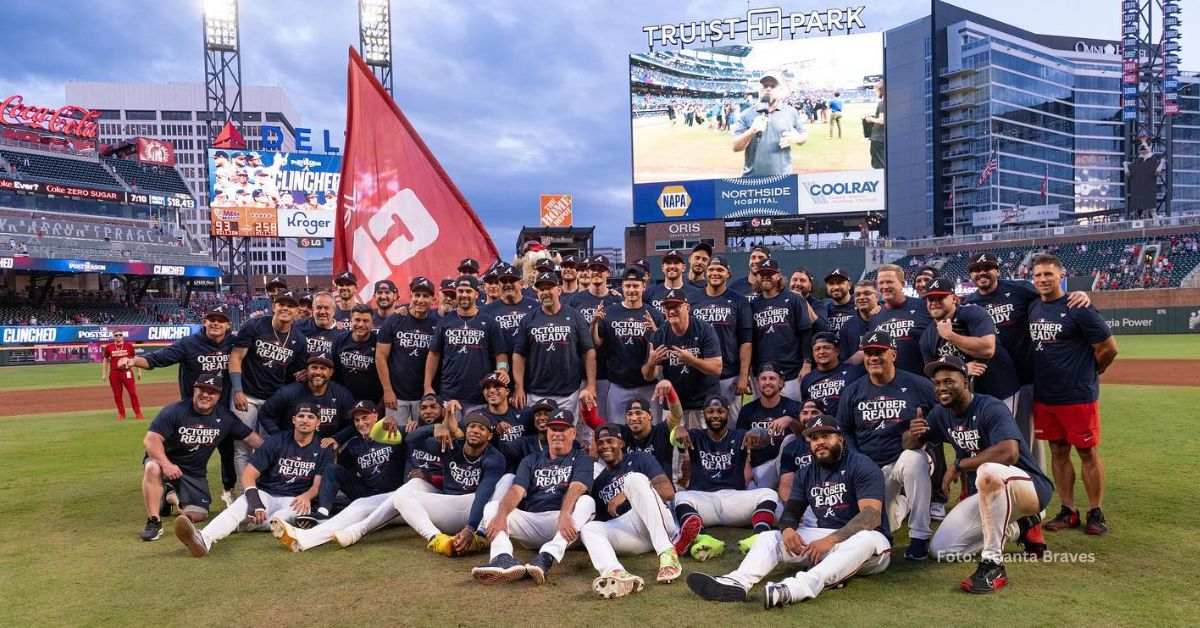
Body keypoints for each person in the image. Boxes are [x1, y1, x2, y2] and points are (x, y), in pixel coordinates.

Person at [685, 415, 891, 607]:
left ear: (841, 439)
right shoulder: (806, 473)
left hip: (869, 547)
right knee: (769, 537)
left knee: (866, 538)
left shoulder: (861, 465)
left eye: (826, 436)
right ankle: (737, 581)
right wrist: (788, 531)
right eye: (814, 438)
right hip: (824, 539)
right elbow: (791, 512)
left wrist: (830, 541)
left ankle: (795, 588)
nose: (819, 442)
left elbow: (871, 516)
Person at [915, 356, 1054, 593]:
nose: (942, 388)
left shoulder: (990, 407)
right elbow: (915, 441)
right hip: (989, 493)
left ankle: (993, 564)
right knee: (942, 550)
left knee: (987, 470)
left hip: (1029, 487)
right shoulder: (941, 414)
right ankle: (1020, 525)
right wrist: (913, 433)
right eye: (937, 383)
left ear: (966, 381)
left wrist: (959, 465)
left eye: (949, 381)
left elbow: (1009, 452)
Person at [963, 252, 1092, 469]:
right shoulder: (969, 303)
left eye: (987, 267)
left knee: (1025, 438)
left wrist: (1077, 294)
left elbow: (1052, 297)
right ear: (970, 275)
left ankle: (1035, 487)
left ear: (997, 270)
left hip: (1025, 379)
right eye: (976, 269)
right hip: (992, 381)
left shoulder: (1019, 290)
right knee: (996, 437)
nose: (982, 272)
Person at [1028, 254, 1117, 536]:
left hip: (1077, 395)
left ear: (1060, 276)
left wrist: (1092, 372)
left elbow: (1109, 347)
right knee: (1058, 451)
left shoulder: (1079, 307)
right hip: (1045, 394)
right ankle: (1068, 510)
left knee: (1087, 452)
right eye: (1038, 275)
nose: (1043, 279)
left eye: (1048, 274)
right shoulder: (1033, 307)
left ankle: (1096, 511)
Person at [174, 402, 332, 557]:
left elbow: (317, 485)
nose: (305, 420)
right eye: (301, 416)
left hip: (295, 499)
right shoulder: (276, 441)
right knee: (241, 506)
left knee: (286, 518)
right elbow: (249, 475)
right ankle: (202, 538)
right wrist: (255, 502)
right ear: (293, 420)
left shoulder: (323, 448)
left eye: (310, 417)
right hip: (267, 494)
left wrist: (307, 496)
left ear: (318, 422)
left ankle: (245, 524)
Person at [122, 304, 238, 505]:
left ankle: (228, 491)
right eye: (212, 319)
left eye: (220, 320)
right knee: (182, 450)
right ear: (205, 322)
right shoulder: (189, 344)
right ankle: (169, 485)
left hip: (224, 411)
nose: (215, 323)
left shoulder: (235, 344)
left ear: (228, 324)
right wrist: (133, 361)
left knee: (229, 453)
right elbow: (159, 358)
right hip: (191, 411)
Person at [836, 331, 935, 560]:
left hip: (902, 459)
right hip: (869, 468)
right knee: (876, 529)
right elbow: (844, 432)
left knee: (914, 459)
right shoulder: (853, 391)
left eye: (879, 353)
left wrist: (927, 431)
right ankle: (899, 506)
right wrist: (859, 462)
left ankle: (920, 536)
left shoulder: (917, 385)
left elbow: (943, 415)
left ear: (893, 354)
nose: (873, 358)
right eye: (868, 353)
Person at [471, 409, 596, 585]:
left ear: (573, 433)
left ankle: (547, 557)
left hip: (564, 526)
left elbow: (578, 486)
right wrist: (501, 516)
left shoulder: (581, 458)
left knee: (587, 502)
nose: (557, 434)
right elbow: (517, 490)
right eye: (554, 429)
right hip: (533, 522)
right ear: (548, 431)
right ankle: (503, 558)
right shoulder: (531, 459)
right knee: (492, 507)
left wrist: (565, 514)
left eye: (563, 430)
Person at [139, 374, 263, 541]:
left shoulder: (225, 417)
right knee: (152, 468)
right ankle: (154, 521)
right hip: (165, 464)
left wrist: (279, 452)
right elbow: (151, 440)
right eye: (202, 390)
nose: (206, 395)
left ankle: (170, 495)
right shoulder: (175, 411)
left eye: (212, 392)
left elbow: (251, 438)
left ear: (219, 396)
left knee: (198, 515)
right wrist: (166, 465)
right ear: (194, 390)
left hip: (194, 473)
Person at [270, 401, 406, 548]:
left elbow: (416, 437)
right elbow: (336, 472)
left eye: (365, 418)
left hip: (392, 497)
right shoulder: (354, 444)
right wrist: (331, 451)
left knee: (352, 508)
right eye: (357, 420)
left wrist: (396, 424)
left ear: (376, 416)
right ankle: (322, 512)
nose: (361, 423)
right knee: (332, 470)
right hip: (367, 494)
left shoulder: (393, 433)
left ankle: (310, 529)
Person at [580, 423, 682, 598]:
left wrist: (625, 493)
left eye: (609, 441)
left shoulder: (640, 458)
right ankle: (616, 573)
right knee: (589, 528)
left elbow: (668, 493)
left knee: (634, 479)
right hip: (633, 535)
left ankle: (667, 554)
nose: (605, 446)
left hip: (660, 524)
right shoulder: (599, 481)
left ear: (621, 442)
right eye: (600, 442)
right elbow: (604, 522)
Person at [671, 397, 777, 561]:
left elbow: (763, 437)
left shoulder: (740, 434)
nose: (715, 415)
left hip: (734, 500)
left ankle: (759, 537)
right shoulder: (694, 435)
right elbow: (674, 437)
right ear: (704, 414)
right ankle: (703, 539)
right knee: (680, 497)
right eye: (710, 411)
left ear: (727, 413)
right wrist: (678, 429)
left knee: (769, 493)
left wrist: (757, 432)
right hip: (704, 501)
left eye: (720, 411)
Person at [228, 289, 309, 480]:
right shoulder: (255, 326)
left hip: (273, 400)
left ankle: (264, 488)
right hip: (246, 394)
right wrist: (237, 390)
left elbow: (295, 374)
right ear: (274, 306)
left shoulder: (299, 340)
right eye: (281, 304)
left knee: (269, 446)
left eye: (290, 306)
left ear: (297, 311)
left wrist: (305, 373)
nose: (285, 309)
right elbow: (236, 357)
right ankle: (244, 494)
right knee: (242, 446)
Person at [512, 271, 597, 428]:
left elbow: (588, 351)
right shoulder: (529, 319)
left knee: (564, 434)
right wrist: (519, 387)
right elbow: (519, 355)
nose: (545, 292)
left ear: (558, 290)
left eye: (549, 288)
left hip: (568, 392)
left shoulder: (574, 316)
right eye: (541, 289)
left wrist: (591, 385)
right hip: (535, 392)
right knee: (537, 434)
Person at [920, 277, 1020, 406]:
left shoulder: (973, 313)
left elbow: (987, 349)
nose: (934, 302)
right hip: (965, 401)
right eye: (931, 299)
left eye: (940, 298)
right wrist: (963, 369)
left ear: (954, 299)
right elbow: (933, 375)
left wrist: (950, 335)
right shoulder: (927, 336)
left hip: (1000, 392)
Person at [425, 275, 506, 418]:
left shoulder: (489, 322)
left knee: (476, 437)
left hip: (480, 395)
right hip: (450, 395)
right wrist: (427, 385)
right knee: (451, 437)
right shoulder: (445, 322)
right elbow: (434, 354)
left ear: (476, 294)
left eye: (468, 291)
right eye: (460, 291)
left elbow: (500, 353)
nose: (464, 295)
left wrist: (503, 369)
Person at [644, 289, 722, 429]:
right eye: (668, 307)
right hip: (675, 406)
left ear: (687, 307)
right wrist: (651, 363)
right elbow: (648, 376)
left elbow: (717, 367)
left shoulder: (704, 330)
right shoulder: (659, 335)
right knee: (675, 449)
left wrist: (692, 360)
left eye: (676, 306)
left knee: (700, 447)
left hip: (703, 404)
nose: (671, 311)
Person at [594, 266, 663, 422]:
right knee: (617, 430)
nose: (632, 290)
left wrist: (654, 331)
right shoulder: (610, 312)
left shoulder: (654, 314)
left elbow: (662, 347)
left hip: (648, 385)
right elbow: (598, 343)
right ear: (622, 287)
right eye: (628, 286)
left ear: (643, 287)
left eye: (636, 286)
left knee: (650, 429)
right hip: (619, 385)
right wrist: (594, 324)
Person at [690, 255, 753, 418]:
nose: (715, 273)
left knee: (731, 424)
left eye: (720, 269)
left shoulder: (739, 301)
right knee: (701, 427)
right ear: (705, 272)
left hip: (729, 375)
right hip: (699, 375)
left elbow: (746, 342)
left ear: (728, 274)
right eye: (711, 269)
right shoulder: (692, 300)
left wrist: (743, 376)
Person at [750, 259, 815, 399]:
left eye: (770, 273)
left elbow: (805, 332)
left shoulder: (794, 299)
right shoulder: (753, 304)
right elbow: (751, 340)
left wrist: (807, 363)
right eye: (762, 273)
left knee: (793, 416)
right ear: (757, 277)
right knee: (765, 416)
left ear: (779, 276)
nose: (766, 276)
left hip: (791, 371)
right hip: (762, 372)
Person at [377, 277, 439, 424]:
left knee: (421, 438)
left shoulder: (437, 323)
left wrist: (429, 389)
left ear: (433, 299)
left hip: (424, 397)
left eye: (425, 296)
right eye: (417, 295)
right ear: (411, 296)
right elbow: (380, 356)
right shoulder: (394, 319)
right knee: (395, 439)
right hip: (396, 395)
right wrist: (387, 390)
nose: (420, 300)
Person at [257, 352, 355, 441]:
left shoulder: (342, 394)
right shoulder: (289, 392)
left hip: (326, 449)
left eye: (323, 368)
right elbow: (265, 414)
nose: (318, 372)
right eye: (314, 367)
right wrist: (281, 438)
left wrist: (336, 439)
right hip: (292, 448)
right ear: (307, 370)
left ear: (331, 373)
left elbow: (352, 423)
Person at [737, 363, 802, 490]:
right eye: (763, 378)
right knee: (751, 488)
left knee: (789, 440)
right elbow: (739, 444)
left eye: (772, 378)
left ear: (781, 383)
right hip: (760, 466)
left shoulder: (794, 407)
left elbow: (805, 436)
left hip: (789, 467)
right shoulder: (747, 410)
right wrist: (746, 467)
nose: (767, 382)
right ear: (757, 383)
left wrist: (790, 421)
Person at [732, 72, 808, 177]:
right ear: (760, 90)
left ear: (780, 90)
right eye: (765, 86)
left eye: (773, 86)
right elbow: (736, 147)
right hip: (752, 178)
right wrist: (752, 131)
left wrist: (797, 138)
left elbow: (803, 135)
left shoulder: (791, 112)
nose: (768, 89)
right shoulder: (747, 114)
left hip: (783, 178)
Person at [865, 264, 931, 375]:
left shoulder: (923, 306)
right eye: (881, 283)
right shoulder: (875, 315)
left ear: (902, 284)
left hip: (921, 378)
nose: (885, 286)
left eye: (889, 282)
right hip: (889, 381)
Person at [800, 332, 865, 413]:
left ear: (837, 351)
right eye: (817, 349)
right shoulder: (807, 379)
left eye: (826, 347)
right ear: (813, 354)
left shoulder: (854, 372)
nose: (821, 352)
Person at [333, 305, 382, 404]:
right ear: (351, 321)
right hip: (344, 397)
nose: (360, 324)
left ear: (372, 323)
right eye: (357, 320)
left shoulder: (379, 342)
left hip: (372, 400)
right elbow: (334, 370)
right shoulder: (340, 340)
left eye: (365, 321)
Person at [101, 330, 143, 421]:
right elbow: (105, 360)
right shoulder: (109, 347)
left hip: (127, 372)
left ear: (122, 336)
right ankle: (121, 414)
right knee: (117, 395)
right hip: (114, 373)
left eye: (120, 335)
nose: (118, 336)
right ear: (113, 336)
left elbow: (135, 359)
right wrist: (104, 373)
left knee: (133, 393)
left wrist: (139, 372)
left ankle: (138, 413)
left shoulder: (129, 346)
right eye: (116, 335)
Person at [645, 250, 701, 317]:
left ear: (683, 268)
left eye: (676, 263)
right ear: (662, 268)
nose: (672, 266)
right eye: (668, 263)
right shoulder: (649, 292)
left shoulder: (695, 293)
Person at [838, 280, 881, 363]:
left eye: (867, 293)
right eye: (857, 295)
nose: (861, 297)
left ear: (877, 297)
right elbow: (844, 363)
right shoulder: (846, 327)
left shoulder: (888, 319)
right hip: (858, 374)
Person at [823, 268, 856, 334]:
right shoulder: (824, 309)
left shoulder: (859, 305)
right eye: (831, 283)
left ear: (849, 285)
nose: (836, 287)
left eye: (840, 283)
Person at [864, 80, 885, 169]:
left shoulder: (882, 103)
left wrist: (870, 119)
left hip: (878, 138)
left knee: (878, 164)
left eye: (876, 89)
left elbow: (882, 121)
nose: (875, 92)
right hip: (883, 138)